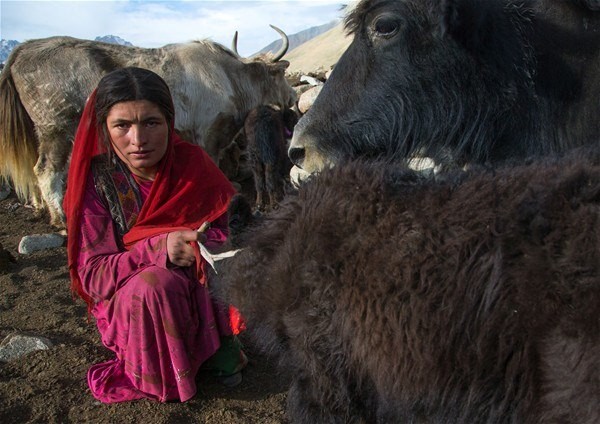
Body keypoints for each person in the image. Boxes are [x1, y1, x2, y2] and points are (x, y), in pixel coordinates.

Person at [63, 67, 247, 403]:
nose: (138, 140)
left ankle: (212, 344)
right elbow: (94, 277)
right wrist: (159, 248)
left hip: (203, 291)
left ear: (169, 121)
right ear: (105, 127)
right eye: (122, 125)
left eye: (151, 122)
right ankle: (167, 371)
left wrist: (203, 244)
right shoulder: (99, 183)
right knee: (157, 284)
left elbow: (234, 232)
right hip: (137, 300)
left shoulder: (193, 164)